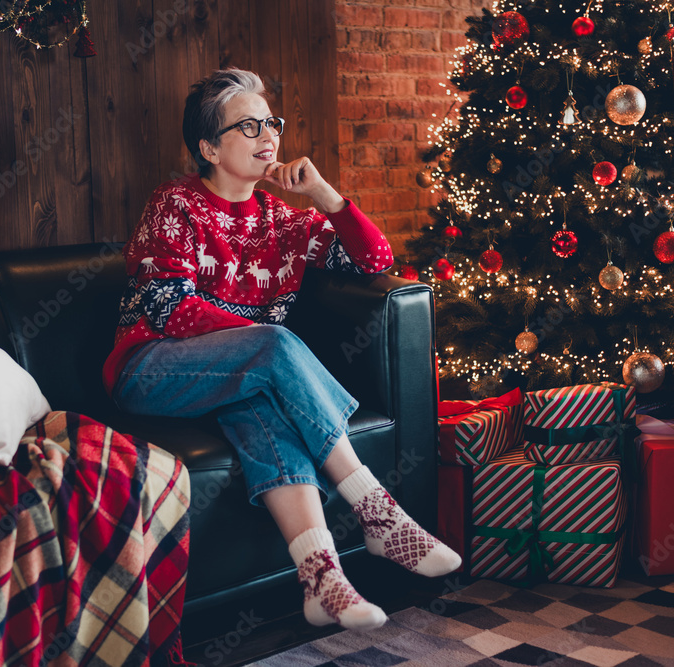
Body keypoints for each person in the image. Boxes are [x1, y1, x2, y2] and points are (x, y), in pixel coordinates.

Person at [103, 68, 460, 630]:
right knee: (270, 346)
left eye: (271, 122)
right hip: (151, 369)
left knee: (264, 407)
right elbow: (170, 307)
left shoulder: (284, 221)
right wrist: (256, 346)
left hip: (240, 376)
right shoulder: (173, 203)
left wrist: (322, 195)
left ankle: (322, 581)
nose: (268, 134)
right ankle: (375, 508)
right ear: (209, 148)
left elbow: (375, 261)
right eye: (248, 126)